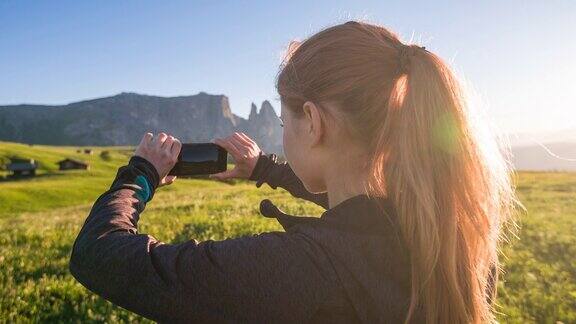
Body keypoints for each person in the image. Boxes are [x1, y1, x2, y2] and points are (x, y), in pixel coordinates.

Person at [69, 20, 516, 323]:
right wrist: (265, 168)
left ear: (314, 122)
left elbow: (99, 254)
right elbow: (362, 211)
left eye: (286, 124)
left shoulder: (300, 270)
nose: (282, 134)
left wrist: (140, 175)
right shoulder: (449, 234)